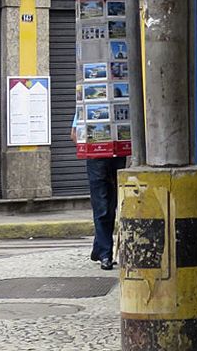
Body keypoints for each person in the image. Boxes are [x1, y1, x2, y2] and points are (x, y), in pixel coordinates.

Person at [72, 105, 127, 271]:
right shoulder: (86, 108)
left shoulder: (121, 105)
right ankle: (105, 255)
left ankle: (99, 248)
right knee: (102, 206)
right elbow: (74, 135)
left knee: (111, 206)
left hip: (117, 157)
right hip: (97, 160)